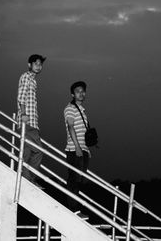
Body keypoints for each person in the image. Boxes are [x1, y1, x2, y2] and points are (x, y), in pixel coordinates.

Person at [17, 54, 46, 188]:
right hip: (27, 122)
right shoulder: (26, 77)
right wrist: (23, 114)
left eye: (40, 64)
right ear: (30, 65)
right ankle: (29, 180)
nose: (39, 66)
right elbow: (21, 96)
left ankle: (25, 179)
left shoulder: (34, 81)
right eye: (36, 64)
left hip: (33, 123)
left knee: (26, 153)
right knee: (39, 151)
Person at [64, 81, 91, 219]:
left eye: (82, 91)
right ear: (72, 94)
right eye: (77, 91)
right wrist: (78, 148)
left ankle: (77, 209)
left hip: (83, 150)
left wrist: (85, 149)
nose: (81, 93)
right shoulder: (70, 108)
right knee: (74, 180)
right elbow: (70, 127)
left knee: (80, 181)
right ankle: (73, 210)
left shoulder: (82, 110)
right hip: (74, 150)